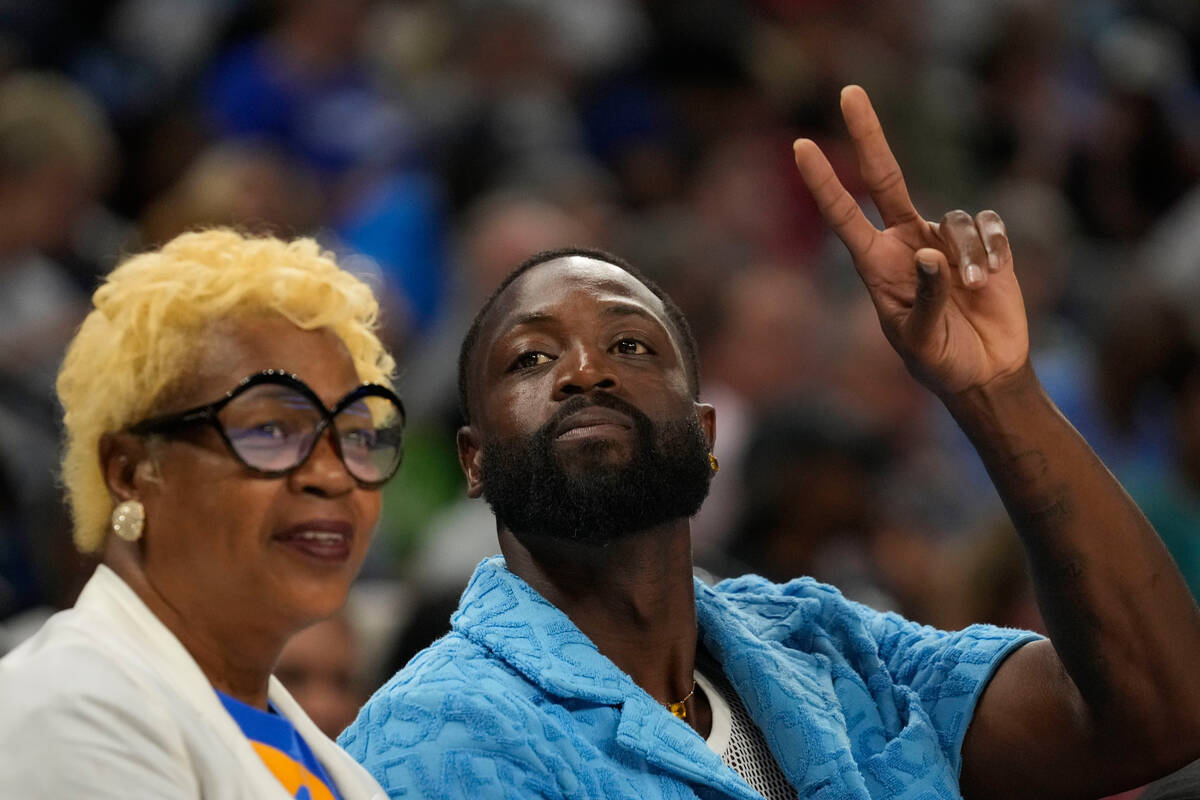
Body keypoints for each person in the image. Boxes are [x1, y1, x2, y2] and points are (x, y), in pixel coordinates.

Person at [340, 86, 1200, 798]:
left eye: (632, 346)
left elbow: (1159, 710)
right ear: (474, 461)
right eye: (531, 357)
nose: (585, 372)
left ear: (706, 434)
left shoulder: (831, 650)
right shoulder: (431, 738)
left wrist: (995, 392)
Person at [0, 229, 403, 799]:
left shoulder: (319, 754)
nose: (333, 475)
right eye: (270, 429)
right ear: (130, 471)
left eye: (358, 435)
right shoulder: (73, 704)